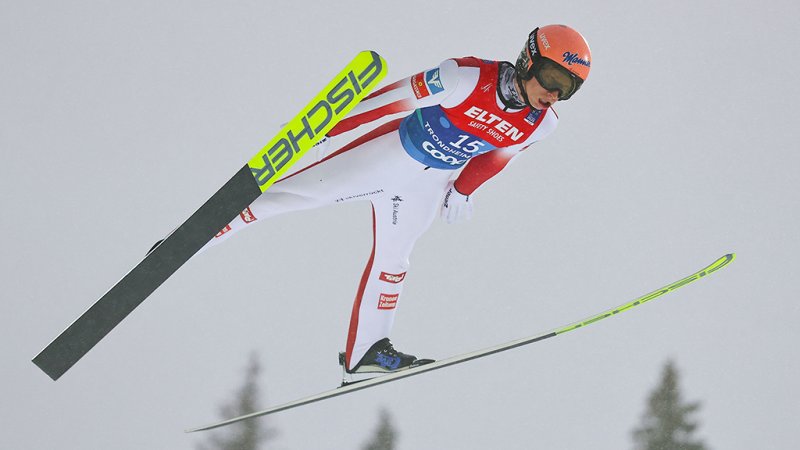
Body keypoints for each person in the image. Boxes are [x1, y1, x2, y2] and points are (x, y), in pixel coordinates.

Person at [202, 24, 591, 379]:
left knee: (395, 261)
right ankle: (198, 236)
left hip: (429, 184)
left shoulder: (543, 123)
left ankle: (367, 350)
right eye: (553, 77)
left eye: (568, 88)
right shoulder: (466, 77)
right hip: (390, 155)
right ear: (529, 60)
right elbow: (389, 100)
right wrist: (327, 126)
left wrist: (462, 190)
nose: (555, 93)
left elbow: (497, 156)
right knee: (297, 195)